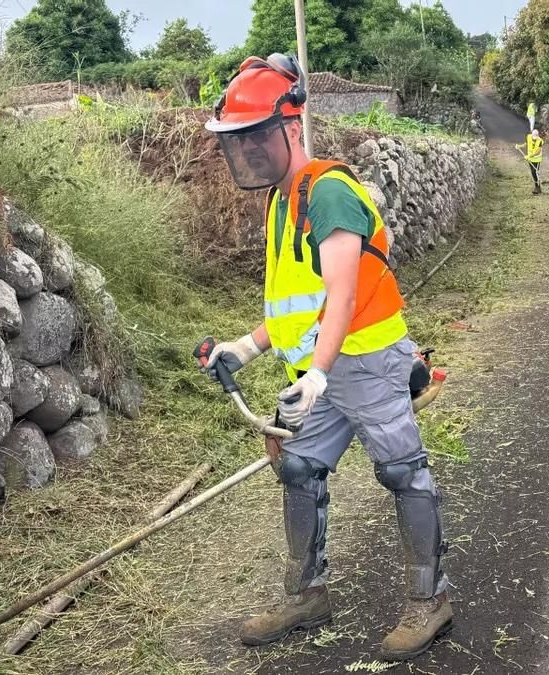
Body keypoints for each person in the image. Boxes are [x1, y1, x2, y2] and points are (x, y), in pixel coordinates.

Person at [201, 53, 451, 662]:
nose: (249, 154)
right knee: (295, 467)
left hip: (365, 362)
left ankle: (430, 599)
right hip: (320, 376)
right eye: (239, 144)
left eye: (258, 138)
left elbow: (342, 293)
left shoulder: (330, 193)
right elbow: (300, 305)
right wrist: (247, 346)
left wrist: (316, 373)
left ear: (292, 126)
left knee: (402, 472)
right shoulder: (282, 203)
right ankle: (307, 595)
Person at [515, 128, 544, 194]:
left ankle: (538, 187)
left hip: (537, 159)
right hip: (530, 159)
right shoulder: (529, 137)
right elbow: (526, 144)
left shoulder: (540, 141)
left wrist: (529, 156)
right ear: (532, 134)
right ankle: (536, 187)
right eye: (534, 137)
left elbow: (538, 151)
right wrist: (519, 146)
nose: (534, 138)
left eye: (536, 137)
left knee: (535, 172)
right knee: (533, 173)